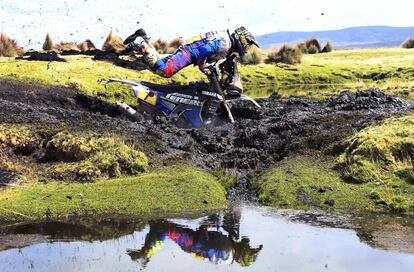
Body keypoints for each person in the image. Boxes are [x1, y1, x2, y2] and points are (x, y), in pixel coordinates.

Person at [125, 26, 260, 97]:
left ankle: (143, 37)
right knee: (164, 70)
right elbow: (205, 51)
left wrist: (211, 68)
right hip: (189, 53)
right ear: (242, 38)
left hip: (190, 50)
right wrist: (203, 67)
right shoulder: (226, 43)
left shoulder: (226, 40)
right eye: (248, 44)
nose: (247, 48)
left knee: (159, 66)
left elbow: (210, 54)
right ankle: (141, 43)